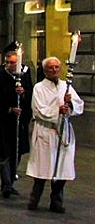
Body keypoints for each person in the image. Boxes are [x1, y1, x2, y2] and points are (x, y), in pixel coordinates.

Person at [26, 57, 84, 213]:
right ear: (45, 70)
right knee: (42, 169)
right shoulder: (39, 88)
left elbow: (79, 105)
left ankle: (56, 201)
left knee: (61, 169)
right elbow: (38, 110)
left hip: (62, 131)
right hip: (46, 131)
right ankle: (34, 199)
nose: (54, 70)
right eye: (51, 68)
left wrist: (70, 104)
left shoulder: (66, 86)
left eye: (57, 67)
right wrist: (57, 110)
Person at [0, 46, 33, 198]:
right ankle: (6, 183)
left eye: (13, 63)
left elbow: (31, 96)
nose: (9, 65)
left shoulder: (24, 76)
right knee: (4, 153)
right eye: (7, 62)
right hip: (3, 122)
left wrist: (24, 94)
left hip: (19, 123)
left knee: (16, 152)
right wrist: (8, 109)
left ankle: (11, 180)